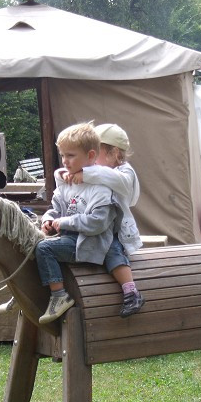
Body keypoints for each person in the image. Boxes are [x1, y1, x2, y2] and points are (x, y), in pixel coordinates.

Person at [35, 122, 117, 325]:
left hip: (90, 243)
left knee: (44, 249)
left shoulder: (101, 188)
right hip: (70, 239)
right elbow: (55, 208)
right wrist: (48, 219)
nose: (64, 161)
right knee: (31, 244)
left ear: (90, 155)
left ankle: (59, 296)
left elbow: (97, 224)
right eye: (62, 155)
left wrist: (65, 222)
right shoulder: (67, 182)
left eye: (70, 155)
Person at [60, 123, 145, 317]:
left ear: (114, 152)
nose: (92, 160)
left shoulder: (125, 172)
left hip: (115, 231)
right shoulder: (97, 171)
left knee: (113, 251)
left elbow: (117, 180)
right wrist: (69, 175)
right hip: (94, 227)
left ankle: (131, 292)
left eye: (96, 153)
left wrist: (86, 174)